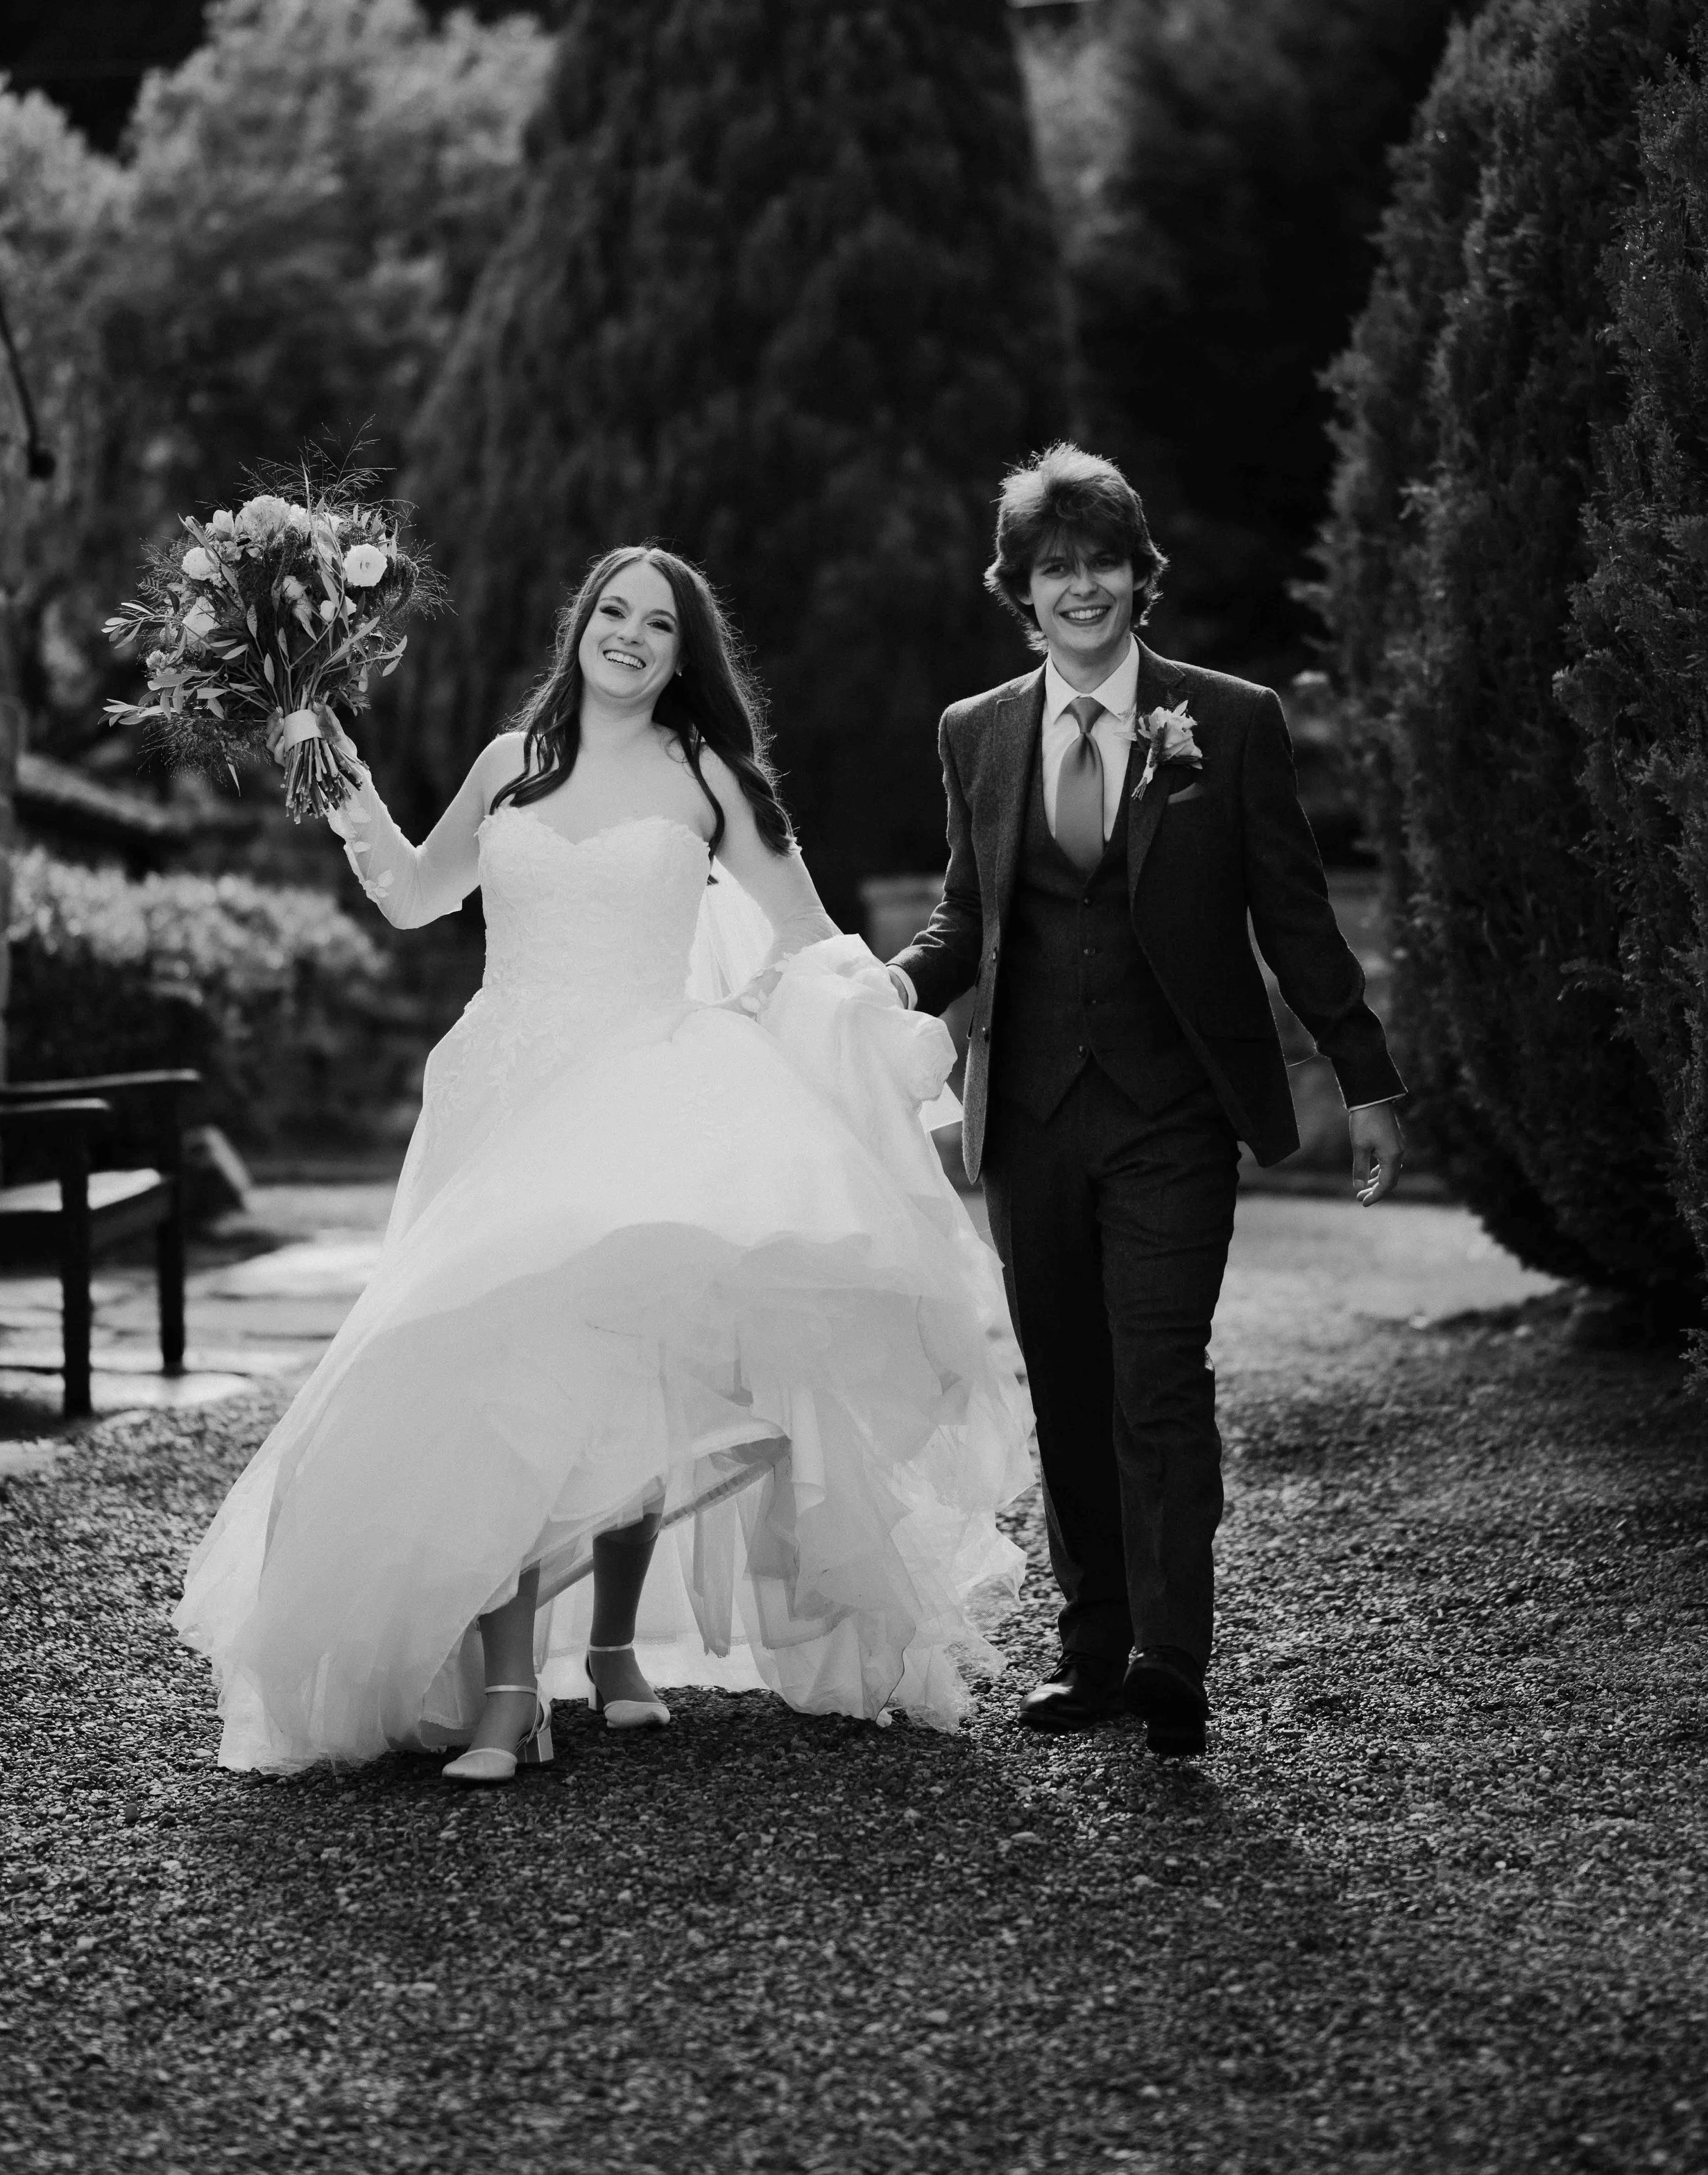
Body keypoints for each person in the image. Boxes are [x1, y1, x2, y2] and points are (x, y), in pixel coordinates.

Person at [176, 545, 1030, 1777]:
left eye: (659, 624)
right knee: (491, 1373)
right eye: (613, 612)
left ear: (686, 657)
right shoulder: (509, 765)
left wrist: (827, 1030)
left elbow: (804, 933)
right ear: (580, 625)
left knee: (617, 1369)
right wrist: (343, 776)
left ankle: (585, 1665)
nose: (629, 635)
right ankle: (516, 1681)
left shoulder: (708, 776)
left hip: (641, 1087)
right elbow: (420, 895)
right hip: (502, 1092)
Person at [885, 445, 1406, 1757]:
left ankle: (1174, 1655)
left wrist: (1368, 1074)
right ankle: (1094, 1648)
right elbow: (967, 914)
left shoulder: (1228, 720)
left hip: (1174, 1109)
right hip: (1031, 1120)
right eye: (1055, 568)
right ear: (1022, 587)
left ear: (1138, 576)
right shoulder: (976, 732)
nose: (1082, 588)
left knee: (1159, 1375)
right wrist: (881, 989)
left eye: (1102, 563)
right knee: (1067, 1381)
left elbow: (1292, 915)